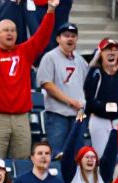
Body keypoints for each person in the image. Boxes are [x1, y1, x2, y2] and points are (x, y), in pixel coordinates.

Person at [0, 0, 59, 159]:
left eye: (13, 30)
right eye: (5, 30)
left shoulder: (25, 52)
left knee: (22, 163)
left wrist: (50, 10)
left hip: (22, 118)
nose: (10, 33)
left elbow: (41, 36)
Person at [36, 22, 87, 155]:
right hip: (57, 115)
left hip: (78, 116)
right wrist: (70, 101)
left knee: (78, 155)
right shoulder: (50, 57)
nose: (70, 39)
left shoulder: (81, 61)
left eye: (73, 36)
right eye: (66, 36)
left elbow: (86, 85)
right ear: (58, 39)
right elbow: (46, 84)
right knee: (57, 154)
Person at [84, 39, 118, 158]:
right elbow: (88, 99)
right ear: (100, 53)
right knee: (101, 157)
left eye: (115, 49)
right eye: (107, 49)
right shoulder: (95, 73)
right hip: (99, 120)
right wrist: (106, 107)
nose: (111, 53)